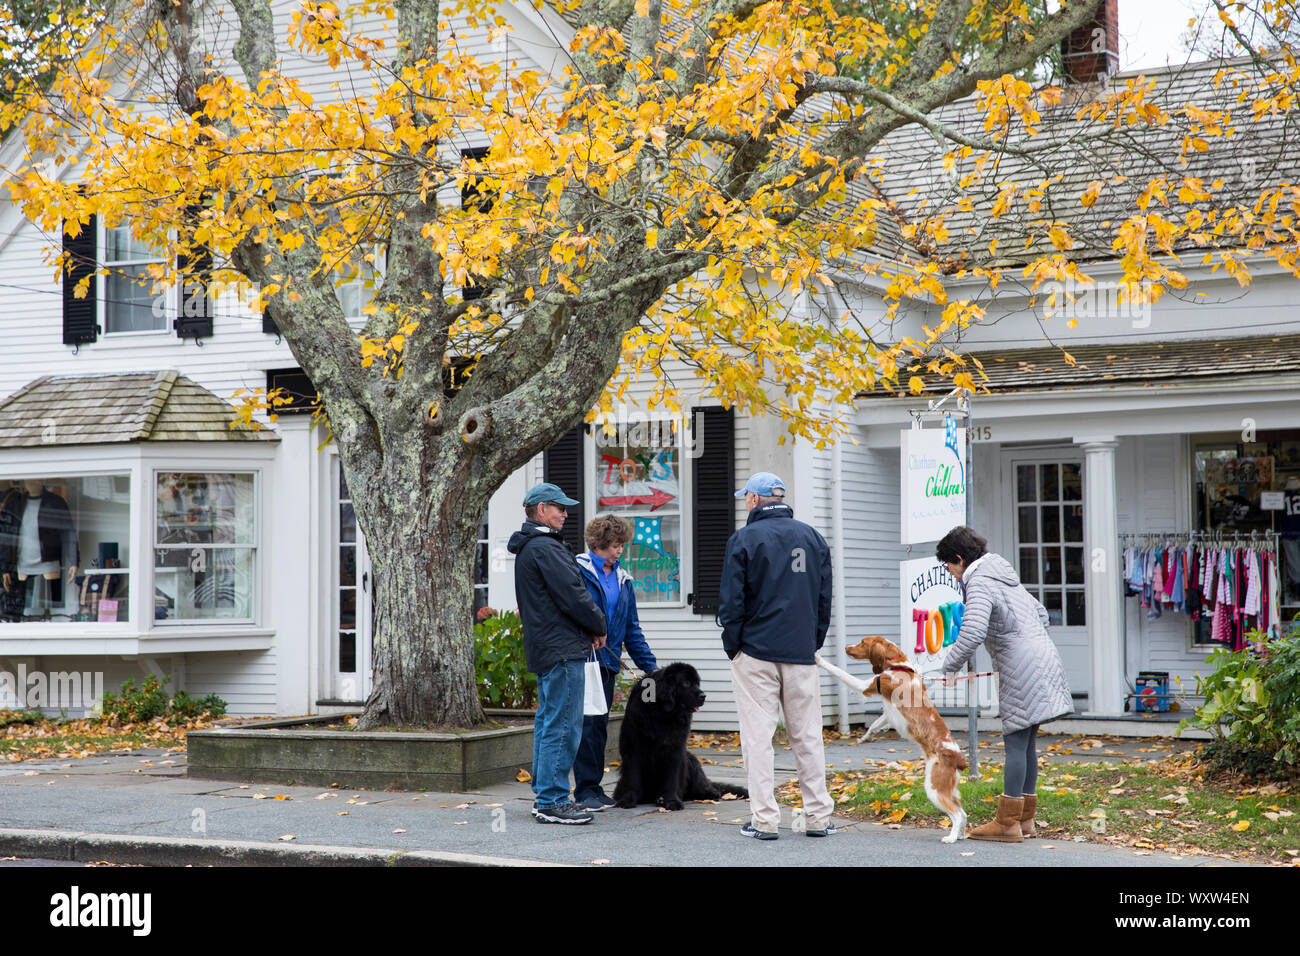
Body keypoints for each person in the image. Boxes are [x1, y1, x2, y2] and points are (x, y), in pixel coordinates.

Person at [937, 525, 1073, 843]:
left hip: (1020, 665)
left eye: (949, 566)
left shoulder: (980, 581)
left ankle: (1007, 824)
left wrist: (948, 668)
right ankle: (1025, 821)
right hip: (1043, 656)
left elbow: (972, 631)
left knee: (1014, 741)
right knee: (1026, 743)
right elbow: (1042, 615)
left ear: (960, 559)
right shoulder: (1003, 574)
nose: (951, 573)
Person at [720, 471, 834, 840]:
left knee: (758, 738)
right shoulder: (812, 537)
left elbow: (732, 602)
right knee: (808, 736)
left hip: (755, 650)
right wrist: (812, 642)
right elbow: (823, 600)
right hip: (800, 651)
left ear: (754, 500)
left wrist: (733, 646)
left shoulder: (744, 539)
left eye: (745, 498)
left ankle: (765, 820)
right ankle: (818, 816)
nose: (745, 503)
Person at [507, 482, 608, 825]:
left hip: (552, 646)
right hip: (562, 648)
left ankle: (545, 794)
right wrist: (598, 625)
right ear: (540, 510)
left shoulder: (533, 548)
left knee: (550, 720)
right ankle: (552, 799)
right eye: (559, 508)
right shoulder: (545, 548)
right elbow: (574, 596)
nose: (566, 513)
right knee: (563, 724)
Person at [573, 513, 659, 811]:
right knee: (584, 726)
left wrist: (651, 667)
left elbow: (631, 629)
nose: (618, 549)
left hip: (608, 664)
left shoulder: (624, 580)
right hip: (581, 660)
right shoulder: (577, 571)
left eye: (621, 544)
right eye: (613, 544)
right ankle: (584, 790)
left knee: (598, 726)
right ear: (597, 543)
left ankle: (594, 788)